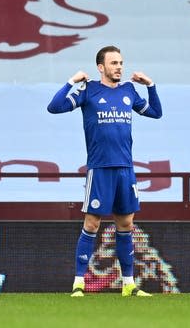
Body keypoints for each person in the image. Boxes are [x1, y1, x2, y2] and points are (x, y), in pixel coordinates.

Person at [47, 46, 162, 297]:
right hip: (100, 168)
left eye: (121, 62)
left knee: (126, 223)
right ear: (101, 67)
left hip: (125, 168)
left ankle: (129, 284)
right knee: (92, 222)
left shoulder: (129, 91)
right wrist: (71, 81)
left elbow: (155, 113)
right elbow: (54, 107)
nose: (119, 67)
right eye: (113, 63)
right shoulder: (88, 91)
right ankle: (79, 282)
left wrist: (150, 85)